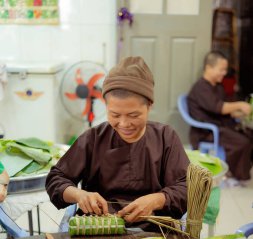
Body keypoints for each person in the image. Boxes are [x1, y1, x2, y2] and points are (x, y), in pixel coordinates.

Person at [46, 56, 189, 228]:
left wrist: (157, 199)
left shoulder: (166, 137)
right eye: (114, 115)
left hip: (155, 230)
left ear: (149, 105)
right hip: (99, 229)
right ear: (105, 106)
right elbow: (56, 179)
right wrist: (79, 195)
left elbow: (187, 187)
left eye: (133, 115)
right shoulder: (93, 138)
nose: (124, 124)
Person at [188, 50, 253, 181]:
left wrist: (243, 113)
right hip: (206, 131)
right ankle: (235, 174)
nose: (224, 73)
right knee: (242, 142)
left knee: (250, 134)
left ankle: (243, 169)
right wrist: (240, 104)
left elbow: (227, 108)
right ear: (208, 67)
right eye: (221, 69)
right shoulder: (201, 88)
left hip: (221, 125)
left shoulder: (217, 86)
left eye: (225, 69)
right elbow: (219, 107)